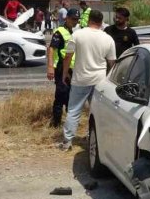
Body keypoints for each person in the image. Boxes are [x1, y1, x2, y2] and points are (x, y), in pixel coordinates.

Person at [59, 9, 116, 150]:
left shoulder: (77, 34)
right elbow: (112, 63)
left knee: (73, 110)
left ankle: (67, 142)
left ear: (89, 19)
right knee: (96, 112)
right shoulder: (108, 38)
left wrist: (64, 74)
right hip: (99, 80)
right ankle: (95, 139)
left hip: (80, 79)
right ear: (101, 22)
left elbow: (68, 56)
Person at [46, 8, 80, 128]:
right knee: (61, 95)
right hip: (61, 68)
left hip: (71, 69)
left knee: (70, 96)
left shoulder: (72, 32)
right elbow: (51, 49)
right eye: (73, 19)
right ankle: (56, 124)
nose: (75, 22)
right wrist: (50, 67)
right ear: (67, 18)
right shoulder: (59, 32)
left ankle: (69, 123)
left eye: (77, 20)